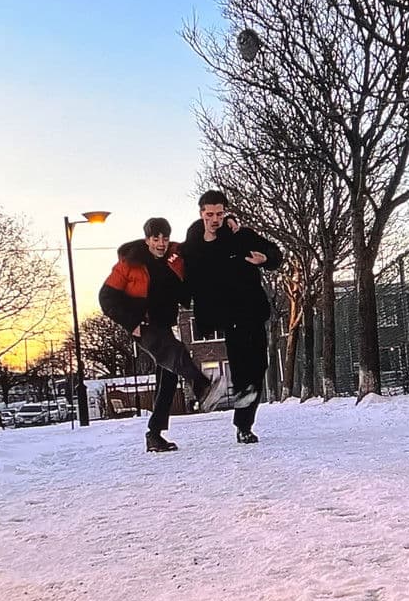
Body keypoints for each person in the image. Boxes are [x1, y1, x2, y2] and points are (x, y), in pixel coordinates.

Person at [98, 217, 244, 452]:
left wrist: (224, 221)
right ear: (147, 240)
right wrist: (131, 322)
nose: (161, 244)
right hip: (143, 325)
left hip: (164, 324)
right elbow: (106, 298)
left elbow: (197, 236)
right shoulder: (129, 263)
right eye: (155, 239)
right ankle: (201, 386)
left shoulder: (175, 255)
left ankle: (154, 435)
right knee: (174, 352)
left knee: (168, 377)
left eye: (164, 238)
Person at [181, 190, 283, 444]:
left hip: (252, 309)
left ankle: (245, 412)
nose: (215, 219)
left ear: (225, 212)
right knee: (240, 367)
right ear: (201, 214)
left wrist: (266, 258)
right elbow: (184, 278)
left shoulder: (241, 236)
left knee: (258, 366)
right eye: (209, 214)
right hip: (227, 316)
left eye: (219, 213)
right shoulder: (193, 247)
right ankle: (243, 426)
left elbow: (274, 253)